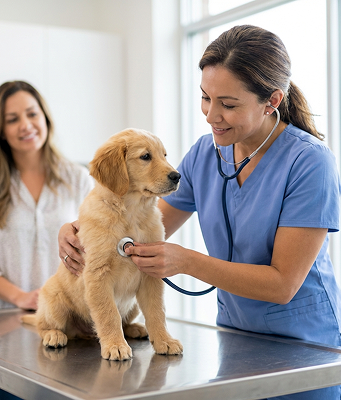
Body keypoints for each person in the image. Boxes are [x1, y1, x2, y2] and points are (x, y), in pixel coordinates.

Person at [59, 25, 341, 400]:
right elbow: (139, 231)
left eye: (228, 104)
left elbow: (282, 284)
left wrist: (186, 262)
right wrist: (82, 230)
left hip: (305, 349)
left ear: (271, 100)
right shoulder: (204, 155)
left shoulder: (310, 163)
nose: (211, 115)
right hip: (234, 337)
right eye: (205, 98)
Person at [0, 80, 93, 310]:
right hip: (10, 316)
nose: (26, 125)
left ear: (45, 118)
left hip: (72, 313)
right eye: (12, 119)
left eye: (32, 114)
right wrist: (21, 297)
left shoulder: (78, 178)